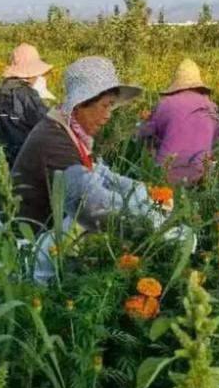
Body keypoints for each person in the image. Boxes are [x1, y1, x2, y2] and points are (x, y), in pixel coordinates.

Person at [11, 57, 192, 283]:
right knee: (95, 222)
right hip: (32, 244)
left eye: (111, 106)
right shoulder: (54, 140)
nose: (108, 115)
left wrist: (146, 192)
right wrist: (152, 225)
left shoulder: (67, 130)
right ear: (80, 104)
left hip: (49, 229)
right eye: (105, 105)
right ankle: (45, 287)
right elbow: (90, 204)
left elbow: (101, 174)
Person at [138, 59, 219, 184]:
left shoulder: (166, 104)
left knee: (149, 144)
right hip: (201, 175)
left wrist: (141, 126)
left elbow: (146, 133)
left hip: (166, 174)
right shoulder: (210, 106)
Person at [0, 43, 52, 166]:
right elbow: (47, 125)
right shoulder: (27, 95)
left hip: (3, 158)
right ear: (31, 73)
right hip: (26, 159)